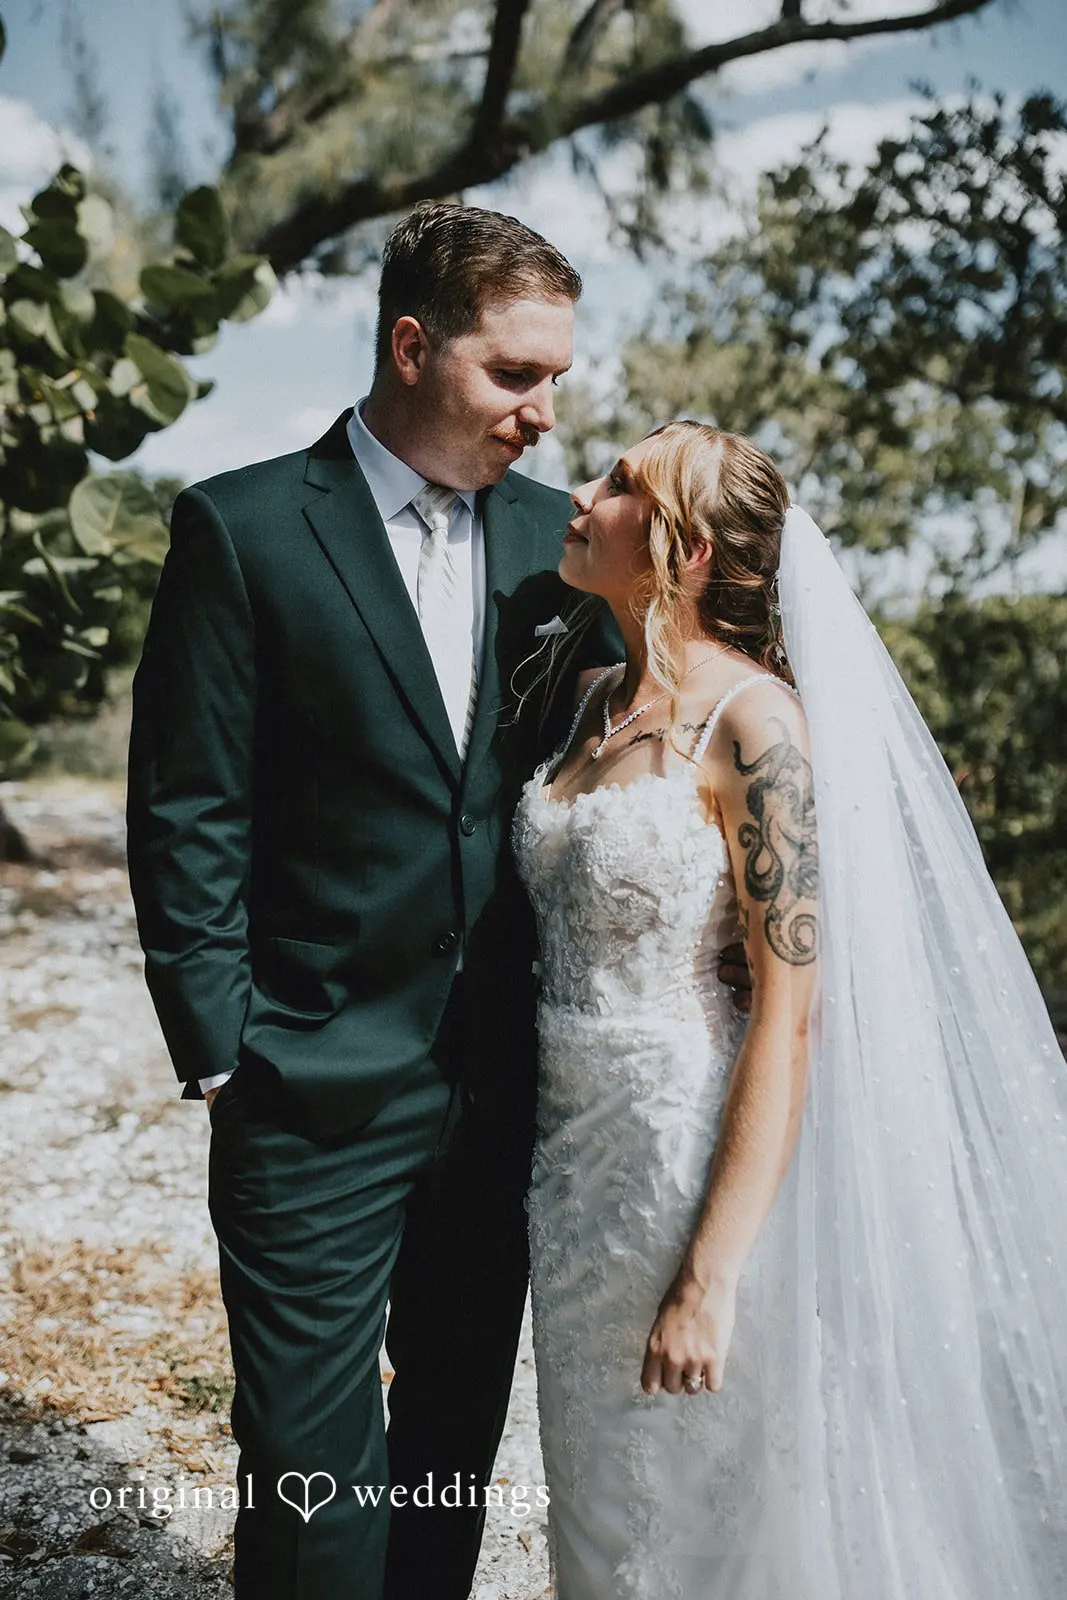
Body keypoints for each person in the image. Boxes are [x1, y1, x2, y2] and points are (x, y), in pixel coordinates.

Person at [126, 202, 752, 1600]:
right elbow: (186, 811)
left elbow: (673, 719)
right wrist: (225, 1049)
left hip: (512, 1094)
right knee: (305, 1467)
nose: (544, 413)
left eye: (555, 380)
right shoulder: (241, 534)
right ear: (411, 346)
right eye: (512, 375)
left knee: (448, 1456)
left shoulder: (565, 547)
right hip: (307, 1078)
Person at [512, 420, 1067, 1597]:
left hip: (681, 1165)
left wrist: (709, 1277)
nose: (580, 490)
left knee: (712, 1503)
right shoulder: (592, 690)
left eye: (618, 483)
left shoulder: (756, 729)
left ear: (688, 548)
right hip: (571, 1177)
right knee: (603, 1496)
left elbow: (787, 1018)